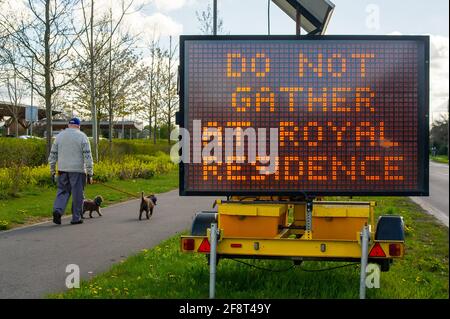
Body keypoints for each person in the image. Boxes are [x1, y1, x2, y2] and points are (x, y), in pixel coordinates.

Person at [48, 118, 94, 225]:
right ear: (78, 126)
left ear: (68, 125)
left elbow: (53, 155)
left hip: (62, 169)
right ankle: (76, 218)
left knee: (62, 192)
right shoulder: (82, 136)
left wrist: (52, 171)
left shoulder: (59, 136)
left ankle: (57, 210)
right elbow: (88, 156)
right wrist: (90, 172)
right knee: (77, 194)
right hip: (77, 170)